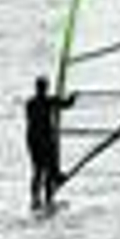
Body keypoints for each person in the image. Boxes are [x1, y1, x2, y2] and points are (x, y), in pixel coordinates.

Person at [25, 76, 76, 213]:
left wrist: (62, 100)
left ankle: (36, 199)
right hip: (43, 140)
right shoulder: (47, 101)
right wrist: (73, 97)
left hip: (33, 140)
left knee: (38, 170)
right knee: (46, 170)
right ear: (45, 88)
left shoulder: (30, 102)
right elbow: (67, 104)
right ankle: (48, 198)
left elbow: (62, 104)